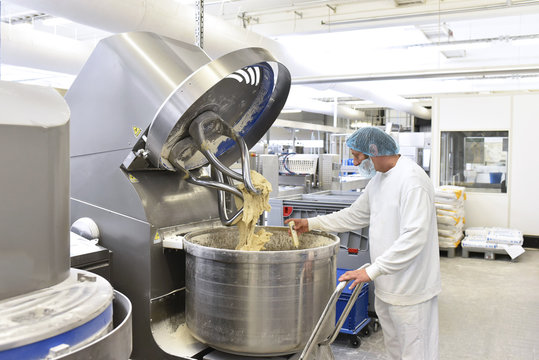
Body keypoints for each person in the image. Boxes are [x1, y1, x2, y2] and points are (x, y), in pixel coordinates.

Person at [285, 126, 441, 360]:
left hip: (412, 289)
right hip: (387, 283)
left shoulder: (412, 180)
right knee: (395, 351)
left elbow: (414, 236)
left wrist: (371, 270)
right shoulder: (379, 179)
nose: (356, 163)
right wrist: (311, 223)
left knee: (416, 352)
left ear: (374, 151)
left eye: (358, 156)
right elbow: (355, 214)